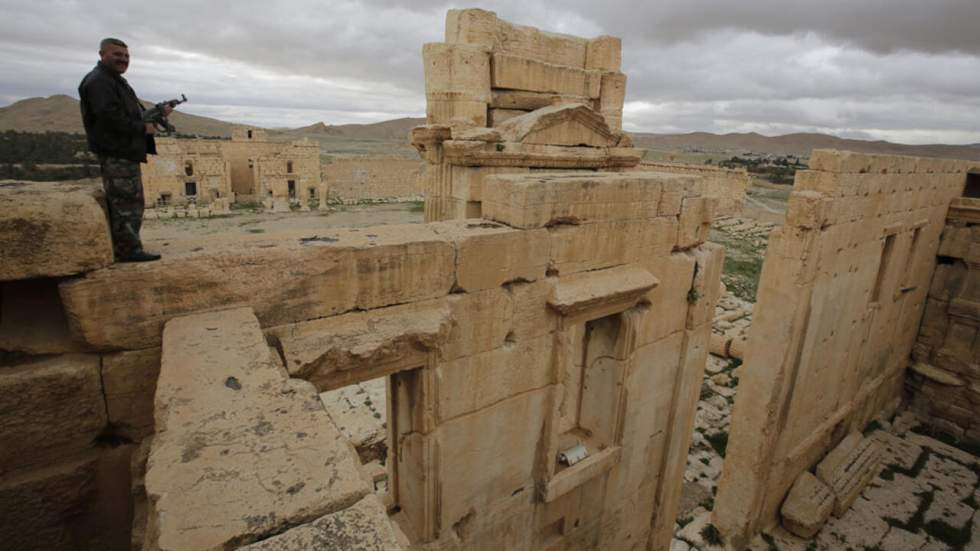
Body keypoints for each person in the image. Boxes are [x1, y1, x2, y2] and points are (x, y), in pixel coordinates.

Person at [78, 37, 170, 262]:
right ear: (102, 55)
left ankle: (128, 246)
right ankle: (128, 251)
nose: (123, 59)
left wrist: (156, 114)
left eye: (126, 56)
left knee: (130, 200)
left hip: (124, 150)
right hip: (117, 151)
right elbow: (110, 119)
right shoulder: (100, 82)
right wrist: (143, 128)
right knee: (126, 203)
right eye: (117, 55)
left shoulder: (113, 81)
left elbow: (124, 114)